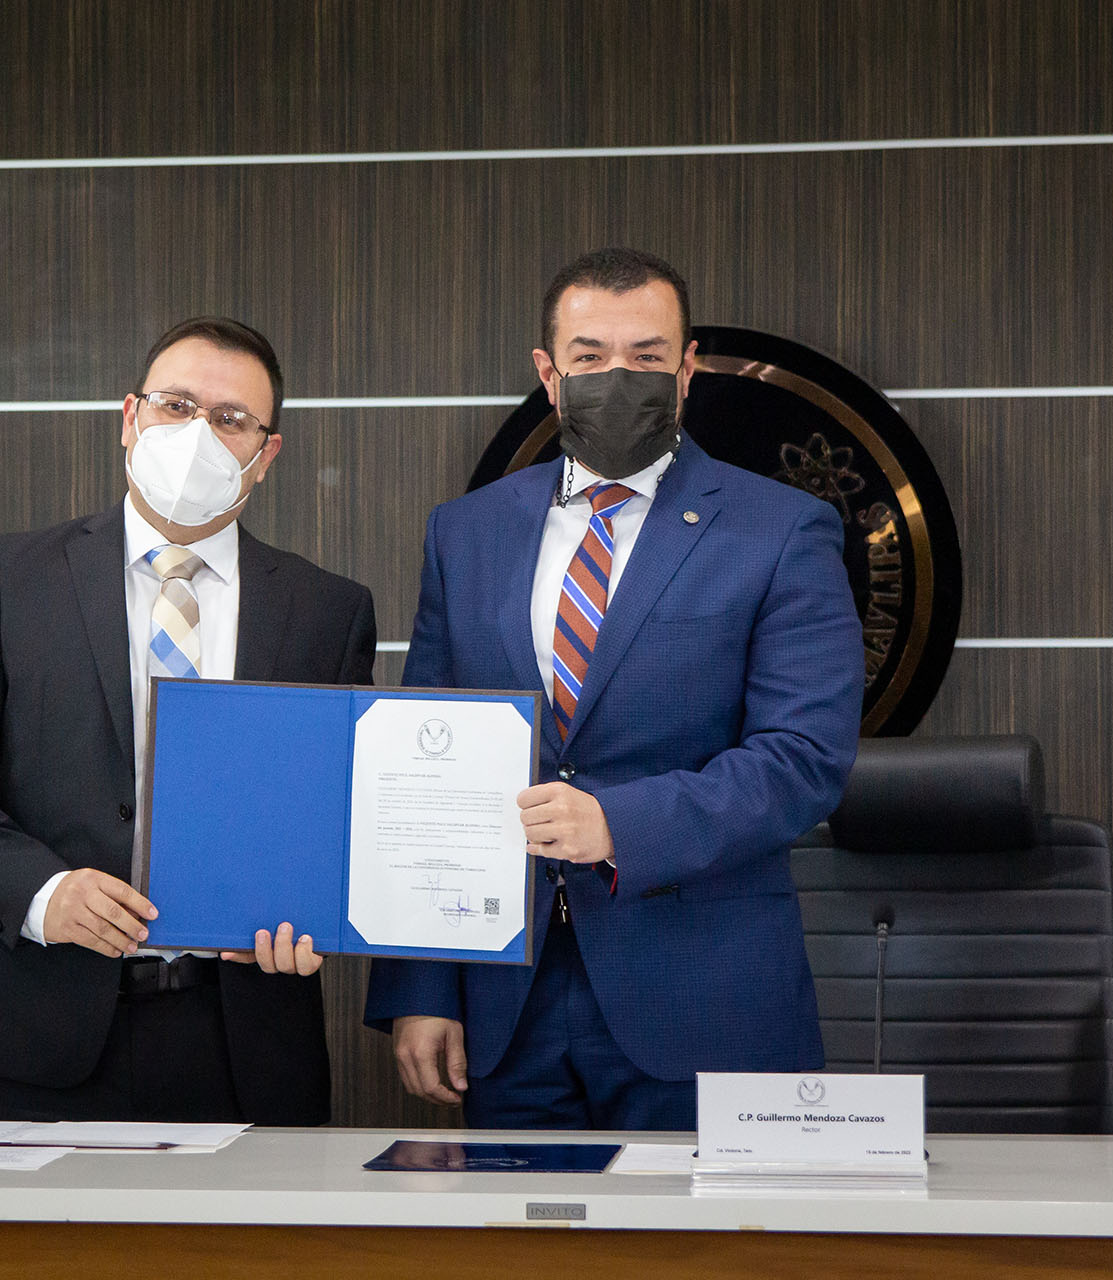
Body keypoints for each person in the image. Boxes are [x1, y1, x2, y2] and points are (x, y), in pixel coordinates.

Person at [365, 248, 863, 1129]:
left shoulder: (782, 530)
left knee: (704, 1267)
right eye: (591, 357)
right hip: (502, 1004)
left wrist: (616, 826)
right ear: (548, 373)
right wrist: (421, 987)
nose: (617, 377)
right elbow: (424, 768)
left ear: (687, 368)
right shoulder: (465, 533)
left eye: (646, 355)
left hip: (703, 999)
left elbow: (802, 762)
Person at [0, 316, 375, 1124]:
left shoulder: (327, 610)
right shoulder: (22, 575)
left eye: (230, 420)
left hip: (242, 1034)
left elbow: (338, 808)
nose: (197, 435)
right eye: (176, 406)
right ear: (129, 418)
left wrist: (315, 912)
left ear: (266, 454)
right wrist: (41, 892)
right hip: (38, 1020)